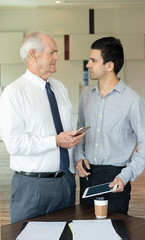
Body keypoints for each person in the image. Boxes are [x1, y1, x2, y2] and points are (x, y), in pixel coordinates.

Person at [0, 31, 84, 223]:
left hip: (66, 181)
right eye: (52, 52)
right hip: (32, 186)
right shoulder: (14, 93)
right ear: (33, 54)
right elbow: (15, 144)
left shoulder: (59, 88)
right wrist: (55, 141)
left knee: (66, 233)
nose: (57, 57)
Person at [73, 36, 145, 214]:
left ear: (109, 66)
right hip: (87, 175)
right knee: (86, 229)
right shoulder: (85, 97)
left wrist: (126, 176)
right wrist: (78, 157)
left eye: (93, 60)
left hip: (116, 178)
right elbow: (80, 135)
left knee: (114, 230)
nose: (88, 65)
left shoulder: (133, 101)